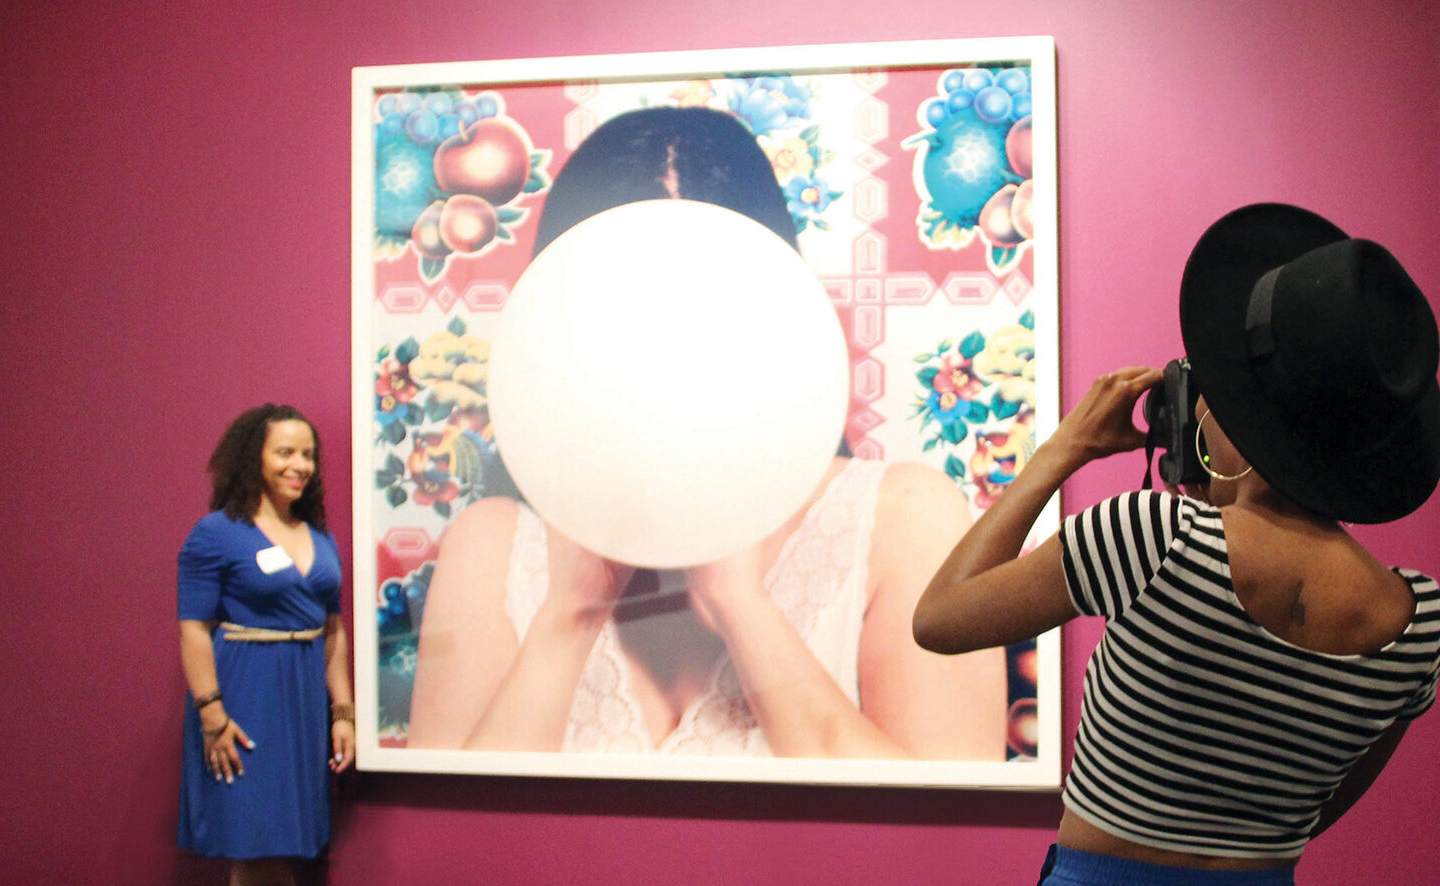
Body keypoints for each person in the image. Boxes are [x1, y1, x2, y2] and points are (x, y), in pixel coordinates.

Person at [913, 203, 1440, 886]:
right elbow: (1318, 809)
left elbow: (941, 615)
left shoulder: (1154, 536)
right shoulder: (1417, 618)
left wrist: (1064, 450)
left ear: (1243, 417)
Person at [404, 106, 1005, 759]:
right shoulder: (492, 544)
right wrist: (568, 612)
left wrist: (741, 604)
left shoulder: (906, 518)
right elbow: (450, 835)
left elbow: (940, 844)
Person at [177, 404, 354, 886]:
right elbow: (194, 630)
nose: (298, 465)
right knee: (251, 836)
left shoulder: (321, 537)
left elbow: (335, 630)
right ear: (253, 455)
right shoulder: (217, 534)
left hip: (302, 694)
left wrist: (343, 711)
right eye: (285, 452)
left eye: (307, 454)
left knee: (268, 838)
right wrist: (211, 713)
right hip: (243, 695)